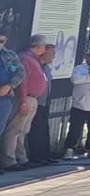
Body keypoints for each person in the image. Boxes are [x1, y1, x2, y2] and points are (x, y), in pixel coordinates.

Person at [3, 35, 48, 170]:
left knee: (22, 130)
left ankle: (21, 158)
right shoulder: (25, 58)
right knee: (14, 130)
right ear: (38, 46)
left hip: (32, 98)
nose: (45, 49)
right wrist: (23, 101)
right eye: (44, 46)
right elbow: (23, 81)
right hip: (25, 98)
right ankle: (9, 160)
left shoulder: (33, 59)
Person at [0, 32, 26, 174]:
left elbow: (21, 72)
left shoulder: (10, 55)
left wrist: (9, 86)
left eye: (1, 40)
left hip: (4, 98)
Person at [28, 43, 58, 165]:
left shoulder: (46, 67)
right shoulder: (36, 66)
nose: (54, 56)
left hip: (45, 103)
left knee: (44, 129)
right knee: (36, 130)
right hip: (36, 101)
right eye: (52, 53)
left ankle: (45, 155)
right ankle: (36, 157)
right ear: (43, 53)